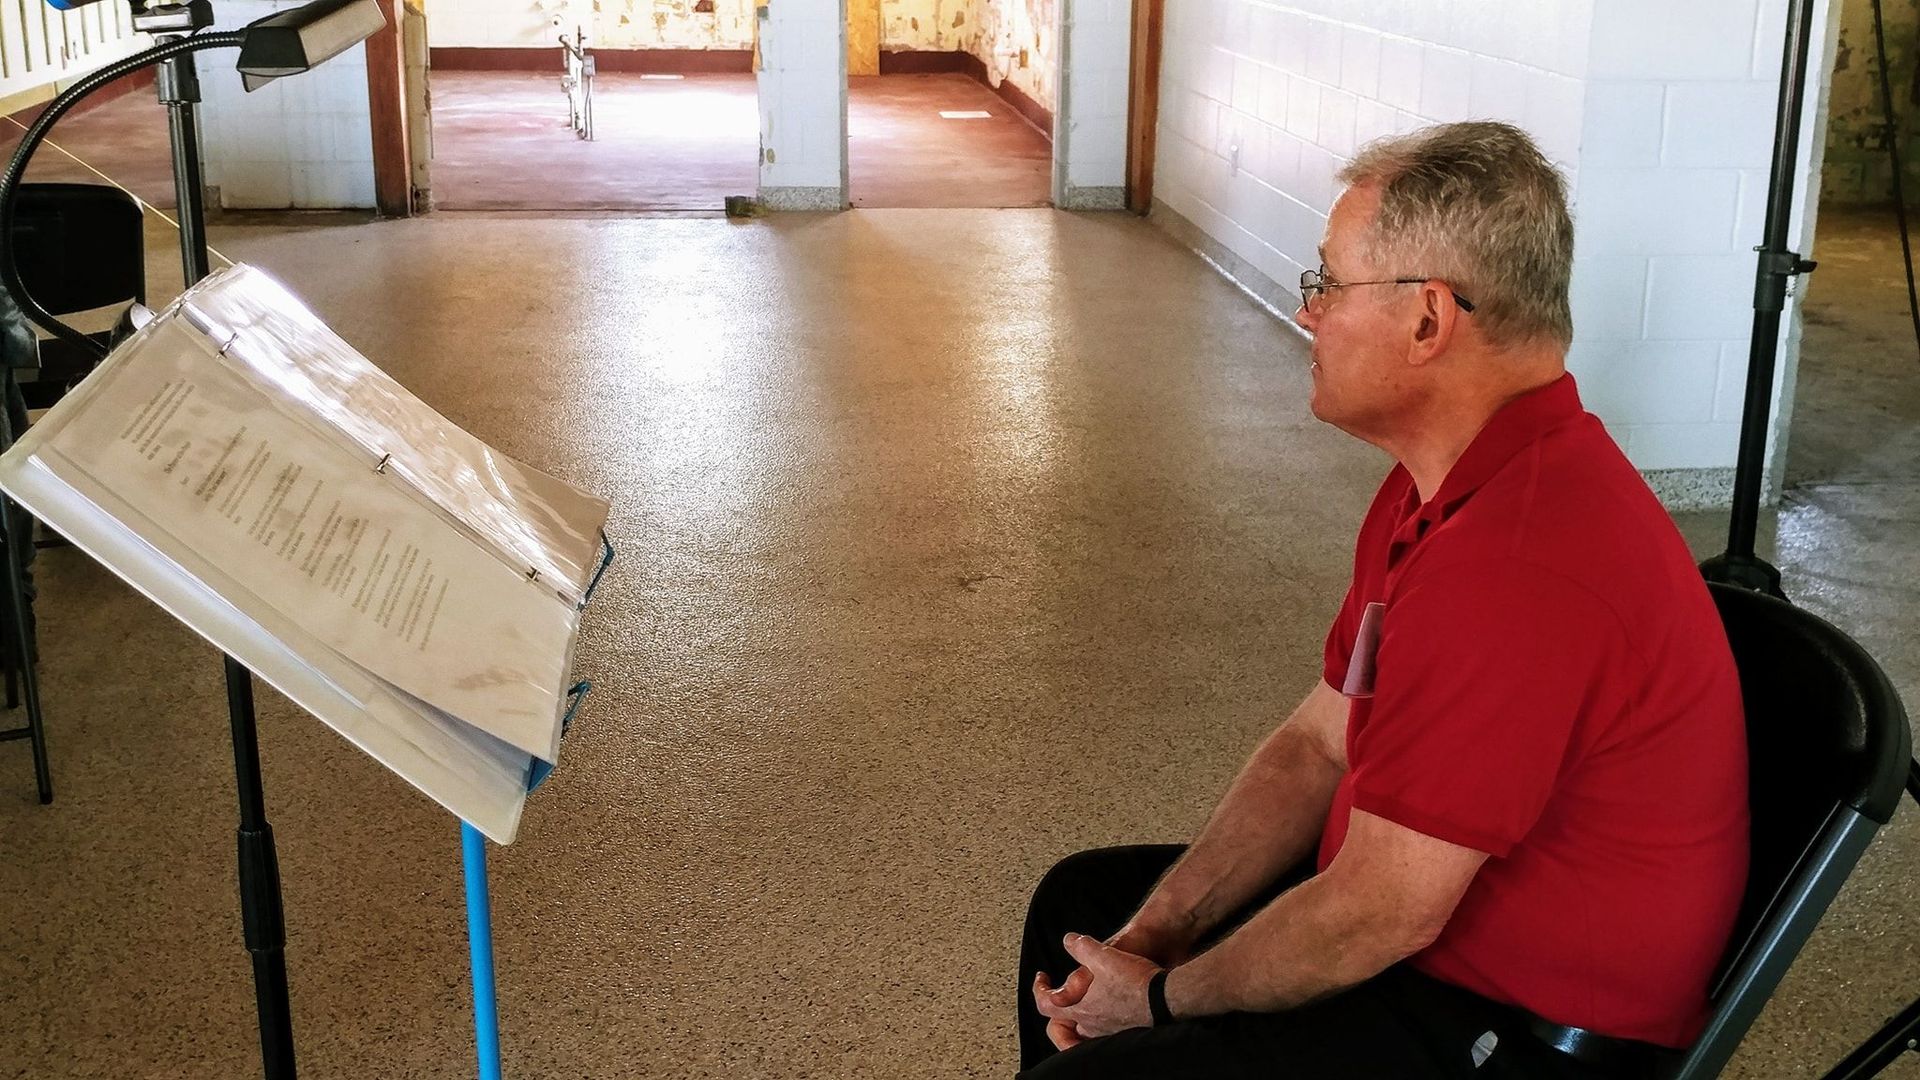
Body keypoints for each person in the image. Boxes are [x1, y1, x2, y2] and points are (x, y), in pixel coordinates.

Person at [1015, 121, 1751, 1079]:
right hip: (1414, 933)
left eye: (1327, 284)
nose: (1308, 312)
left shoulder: (1520, 565)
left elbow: (1380, 912)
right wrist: (1155, 937)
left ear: (1428, 320)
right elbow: (1321, 741)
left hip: (1519, 1029)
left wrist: (1153, 1002)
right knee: (1082, 910)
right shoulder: (1442, 483)